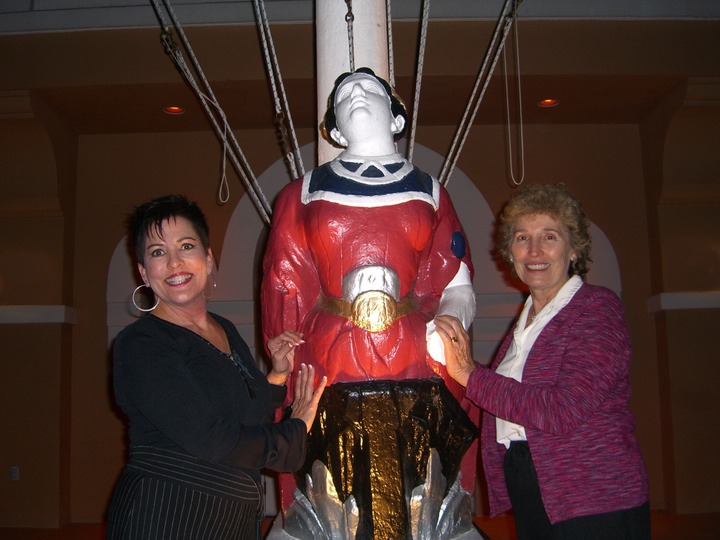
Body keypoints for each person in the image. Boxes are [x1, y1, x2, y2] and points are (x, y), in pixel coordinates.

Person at [261, 68, 478, 538]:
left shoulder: (431, 192)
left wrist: (446, 325)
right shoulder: (302, 194)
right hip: (329, 360)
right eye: (345, 95)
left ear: (397, 118)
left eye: (370, 89)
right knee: (328, 494)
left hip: (413, 360)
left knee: (419, 491)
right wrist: (286, 366)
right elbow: (285, 286)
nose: (357, 94)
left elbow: (457, 282)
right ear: (334, 129)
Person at [434, 183, 650, 540]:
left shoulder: (595, 309)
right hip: (537, 488)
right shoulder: (527, 322)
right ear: (510, 251)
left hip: (593, 496)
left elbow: (563, 409)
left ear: (574, 248)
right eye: (522, 238)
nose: (534, 250)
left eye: (549, 236)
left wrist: (472, 376)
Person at [106, 194, 326, 540]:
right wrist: (295, 428)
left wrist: (277, 373)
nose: (175, 263)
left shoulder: (223, 328)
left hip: (229, 519)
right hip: (167, 516)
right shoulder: (141, 344)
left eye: (186, 246)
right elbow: (215, 440)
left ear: (208, 259)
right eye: (158, 252)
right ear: (144, 273)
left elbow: (244, 417)